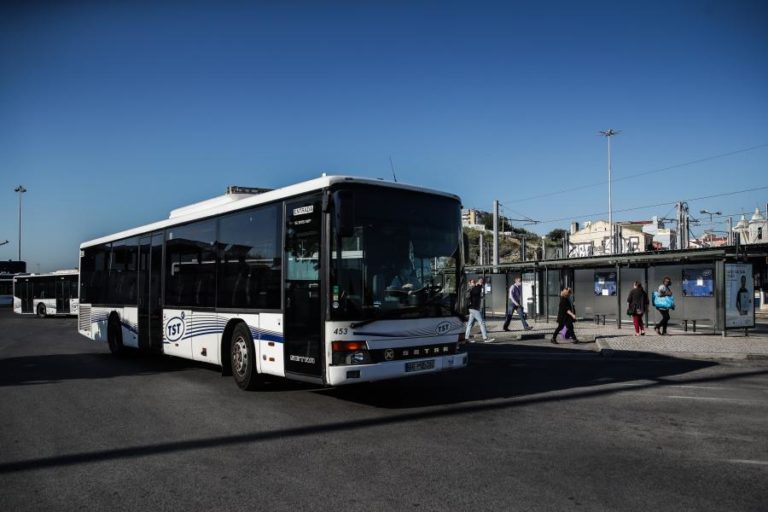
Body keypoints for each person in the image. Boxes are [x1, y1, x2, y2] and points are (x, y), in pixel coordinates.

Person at [465, 278, 494, 343]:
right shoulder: (474, 288)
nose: (481, 283)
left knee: (470, 324)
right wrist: (478, 284)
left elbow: (475, 296)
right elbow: (476, 291)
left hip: (472, 308)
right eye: (472, 282)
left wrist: (481, 297)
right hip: (474, 308)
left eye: (473, 282)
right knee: (482, 322)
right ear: (469, 283)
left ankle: (466, 338)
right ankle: (485, 338)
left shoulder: (474, 289)